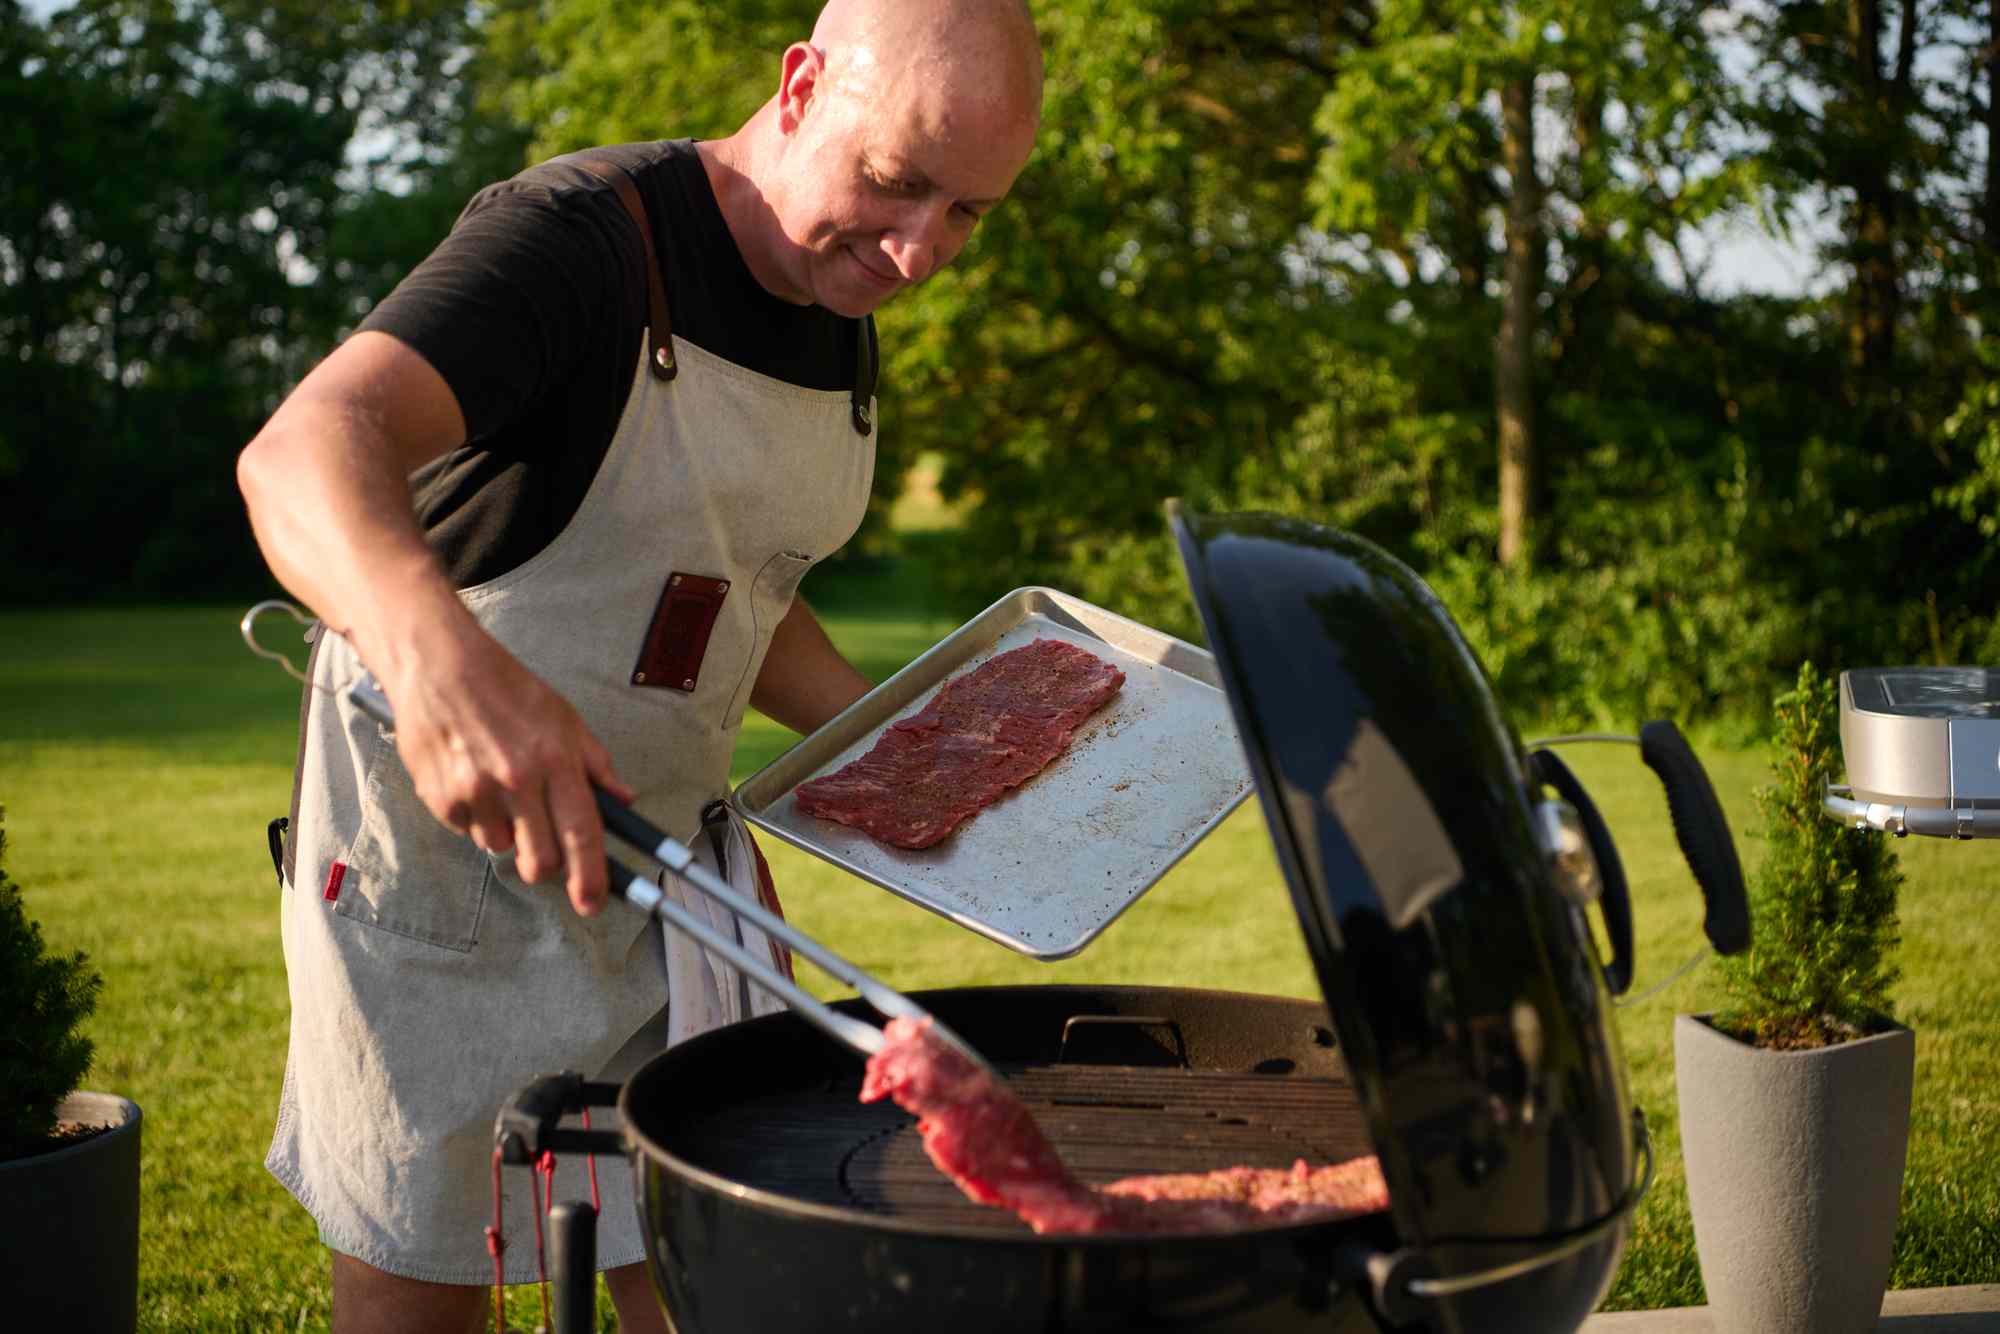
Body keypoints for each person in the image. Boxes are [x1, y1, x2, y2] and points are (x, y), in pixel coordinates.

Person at [234, 0, 1043, 1326]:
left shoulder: (841, 295)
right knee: (427, 1292)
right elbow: (306, 448)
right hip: (444, 893)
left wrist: (895, 735)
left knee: (701, 1290)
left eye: (967, 214)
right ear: (800, 87)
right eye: (898, 184)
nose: (918, 252)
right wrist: (436, 659)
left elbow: (733, 579)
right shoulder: (581, 241)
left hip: (669, 891)